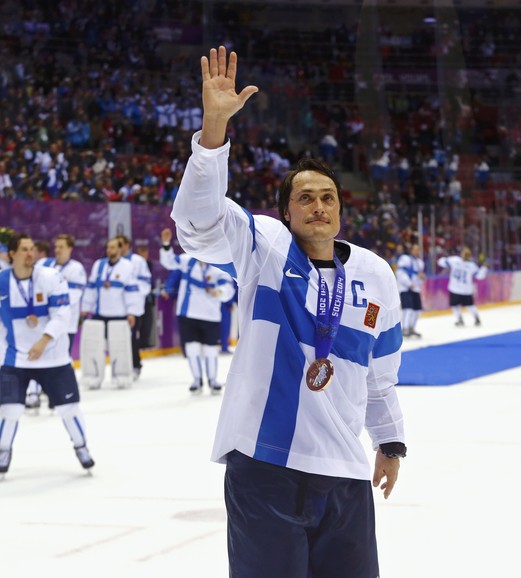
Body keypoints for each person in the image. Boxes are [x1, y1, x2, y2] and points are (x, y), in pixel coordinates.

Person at [170, 47, 406, 577]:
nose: (318, 206)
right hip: (264, 465)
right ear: (286, 211)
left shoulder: (376, 275)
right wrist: (213, 132)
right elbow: (198, 226)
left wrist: (389, 440)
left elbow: (381, 376)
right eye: (305, 198)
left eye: (327, 197)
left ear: (341, 209)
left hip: (344, 471)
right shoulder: (266, 248)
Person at [0, 233, 95, 475]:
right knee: (9, 410)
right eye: (24, 249)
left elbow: (63, 314)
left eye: (32, 248)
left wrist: (44, 341)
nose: (31, 253)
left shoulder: (50, 277)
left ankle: (81, 446)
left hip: (53, 357)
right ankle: (4, 450)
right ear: (12, 254)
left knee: (69, 408)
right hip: (15, 358)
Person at [159, 227, 236, 393]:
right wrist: (166, 245)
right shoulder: (187, 261)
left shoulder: (219, 267)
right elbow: (169, 261)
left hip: (210, 315)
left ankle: (213, 380)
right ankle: (196, 380)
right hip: (188, 314)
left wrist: (219, 292)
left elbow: (228, 287)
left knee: (210, 350)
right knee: (191, 349)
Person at [25, 234, 88, 411]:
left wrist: (49, 306)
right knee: (39, 357)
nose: (57, 250)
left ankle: (56, 395)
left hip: (65, 324)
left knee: (60, 360)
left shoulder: (77, 269)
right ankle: (36, 393)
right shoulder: (45, 264)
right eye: (56, 246)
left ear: (70, 249)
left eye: (61, 246)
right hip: (43, 323)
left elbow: (72, 297)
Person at [79, 237, 144, 388]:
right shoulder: (98, 265)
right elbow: (91, 288)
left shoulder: (127, 266)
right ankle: (93, 378)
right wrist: (85, 308)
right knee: (94, 348)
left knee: (120, 348)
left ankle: (121, 377)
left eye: (113, 248)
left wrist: (132, 312)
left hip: (119, 316)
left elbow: (132, 291)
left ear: (120, 249)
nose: (110, 250)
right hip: (99, 314)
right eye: (108, 247)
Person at [118, 235, 151, 377]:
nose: (119, 248)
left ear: (127, 245)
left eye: (121, 244)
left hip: (134, 307)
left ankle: (135, 364)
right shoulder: (113, 263)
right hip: (117, 306)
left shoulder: (137, 261)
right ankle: (121, 367)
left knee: (131, 337)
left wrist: (135, 297)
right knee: (118, 338)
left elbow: (145, 282)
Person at [438, 247, 488, 327]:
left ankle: (476, 318)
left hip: (463, 290)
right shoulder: (458, 261)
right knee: (456, 305)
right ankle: (460, 319)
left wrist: (484, 268)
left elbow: (441, 262)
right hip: (457, 289)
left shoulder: (468, 264)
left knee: (469, 305)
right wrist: (484, 268)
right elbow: (479, 276)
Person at [395, 243, 426, 337]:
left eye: (418, 249)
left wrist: (421, 278)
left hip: (415, 289)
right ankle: (404, 328)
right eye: (415, 249)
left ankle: (412, 327)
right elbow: (400, 272)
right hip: (405, 288)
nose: (417, 251)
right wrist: (409, 284)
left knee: (417, 310)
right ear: (411, 250)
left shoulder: (420, 262)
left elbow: (419, 275)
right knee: (407, 309)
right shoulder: (405, 259)